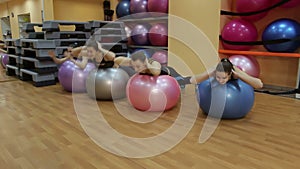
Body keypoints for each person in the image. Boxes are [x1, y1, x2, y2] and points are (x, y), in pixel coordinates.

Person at [114, 50, 192, 87]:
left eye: (138, 66)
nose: (135, 69)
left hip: (171, 74)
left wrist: (147, 63)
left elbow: (156, 72)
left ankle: (199, 82)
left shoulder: (152, 64)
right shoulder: (138, 64)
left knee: (184, 81)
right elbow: (116, 60)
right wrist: (130, 60)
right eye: (134, 67)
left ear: (144, 63)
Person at [189, 58, 263, 89]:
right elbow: (192, 80)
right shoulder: (215, 69)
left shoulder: (235, 71)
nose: (220, 81)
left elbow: (259, 84)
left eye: (224, 78)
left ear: (230, 74)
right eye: (218, 77)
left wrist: (240, 76)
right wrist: (209, 74)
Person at [48, 38, 116, 69]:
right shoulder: (85, 53)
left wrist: (100, 48)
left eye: (91, 51)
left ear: (97, 50)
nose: (89, 53)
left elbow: (113, 56)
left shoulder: (102, 53)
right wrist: (53, 57)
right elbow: (83, 66)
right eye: (88, 51)